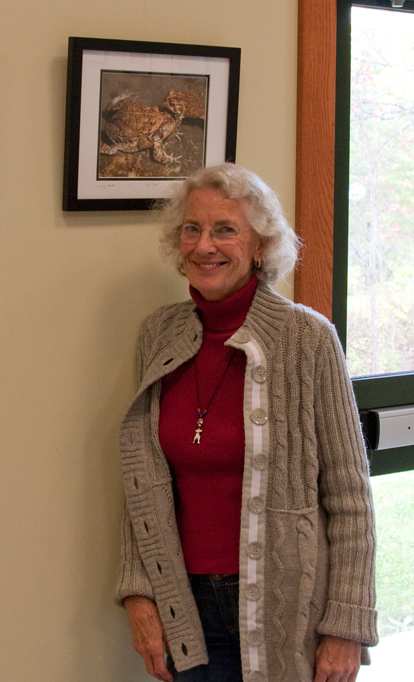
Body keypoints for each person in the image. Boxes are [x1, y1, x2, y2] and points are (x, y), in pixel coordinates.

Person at [115, 164, 377, 682]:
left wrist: (346, 625)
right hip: (184, 604)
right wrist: (139, 592)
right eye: (192, 229)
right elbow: (141, 480)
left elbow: (350, 496)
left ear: (259, 245)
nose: (204, 245)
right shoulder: (158, 336)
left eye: (224, 230)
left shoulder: (308, 339)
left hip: (285, 604)